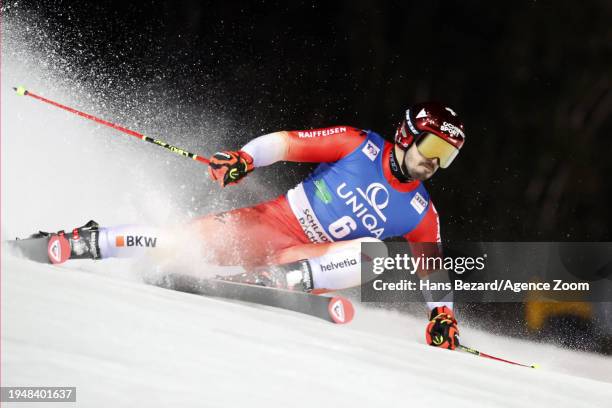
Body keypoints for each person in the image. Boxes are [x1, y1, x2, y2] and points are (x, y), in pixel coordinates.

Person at [20, 101, 465, 350]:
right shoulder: (358, 146)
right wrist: (245, 159)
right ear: (407, 135)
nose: (434, 162)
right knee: (176, 242)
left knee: (378, 255)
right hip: (269, 225)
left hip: (304, 259)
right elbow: (287, 143)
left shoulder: (422, 211)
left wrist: (441, 315)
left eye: (446, 157)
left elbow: (433, 268)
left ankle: (275, 279)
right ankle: (77, 241)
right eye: (432, 147)